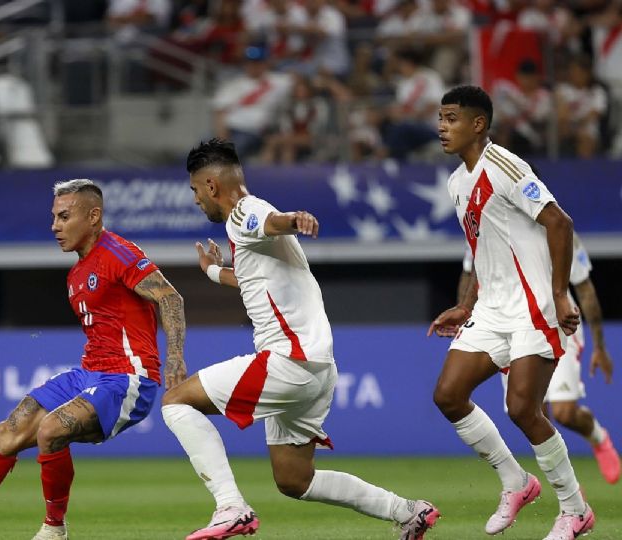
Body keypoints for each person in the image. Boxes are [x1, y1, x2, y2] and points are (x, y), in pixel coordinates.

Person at [161, 138, 439, 540]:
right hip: (318, 368)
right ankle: (408, 511)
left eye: (194, 191)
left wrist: (295, 219)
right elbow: (252, 279)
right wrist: (211, 272)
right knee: (294, 479)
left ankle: (230, 506)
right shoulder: (250, 230)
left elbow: (273, 220)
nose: (195, 200)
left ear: (210, 185)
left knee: (175, 401)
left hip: (287, 362)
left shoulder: (244, 212)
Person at [0, 179, 186, 540]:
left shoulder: (119, 252)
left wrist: (175, 358)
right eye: (53, 217)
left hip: (129, 380)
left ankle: (54, 529)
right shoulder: (76, 273)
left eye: (64, 217)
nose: (55, 227)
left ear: (93, 216)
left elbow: (170, 298)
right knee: (7, 432)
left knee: (51, 430)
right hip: (89, 373)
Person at [429, 85, 595, 540]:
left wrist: (560, 295)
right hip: (492, 309)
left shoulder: (504, 164)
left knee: (522, 407)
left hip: (534, 306)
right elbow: (487, 247)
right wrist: (466, 304)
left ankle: (575, 509)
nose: (442, 127)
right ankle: (516, 481)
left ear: (478, 125)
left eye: (451, 118)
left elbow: (559, 222)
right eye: (441, 118)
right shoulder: (456, 182)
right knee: (448, 395)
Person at [459, 236, 619, 484]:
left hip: (556, 324)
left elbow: (584, 288)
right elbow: (470, 275)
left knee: (565, 413)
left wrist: (599, 346)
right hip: (509, 326)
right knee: (532, 415)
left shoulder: (551, 225)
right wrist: (465, 315)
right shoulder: (483, 224)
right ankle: (572, 495)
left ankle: (598, 437)